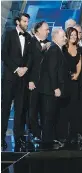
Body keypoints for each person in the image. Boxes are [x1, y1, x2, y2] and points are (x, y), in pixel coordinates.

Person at [1, 13, 32, 148]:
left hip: (23, 79)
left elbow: (31, 56)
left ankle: (18, 137)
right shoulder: (9, 33)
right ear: (18, 22)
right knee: (5, 108)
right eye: (24, 21)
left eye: (27, 21)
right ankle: (1, 137)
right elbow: (3, 54)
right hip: (9, 78)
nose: (26, 23)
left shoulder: (29, 37)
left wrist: (25, 68)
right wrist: (16, 69)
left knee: (20, 109)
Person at [37, 28, 68, 144]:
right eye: (62, 36)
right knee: (48, 117)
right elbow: (52, 70)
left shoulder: (56, 49)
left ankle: (49, 140)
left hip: (49, 89)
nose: (65, 38)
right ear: (55, 37)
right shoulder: (54, 49)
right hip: (49, 89)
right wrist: (55, 88)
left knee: (50, 116)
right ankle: (47, 142)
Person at [56, 27, 82, 143]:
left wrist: (77, 75)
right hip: (64, 82)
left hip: (75, 82)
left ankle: (73, 135)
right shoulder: (62, 48)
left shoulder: (79, 49)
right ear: (67, 35)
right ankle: (62, 134)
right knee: (63, 109)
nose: (73, 37)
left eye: (75, 35)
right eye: (71, 35)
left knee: (74, 109)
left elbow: (79, 64)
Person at [27, 21, 50, 143]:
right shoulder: (30, 42)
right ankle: (34, 133)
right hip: (33, 81)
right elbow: (29, 63)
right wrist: (30, 79)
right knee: (32, 109)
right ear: (38, 30)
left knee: (43, 108)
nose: (48, 31)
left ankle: (42, 134)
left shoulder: (48, 43)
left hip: (45, 83)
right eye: (46, 29)